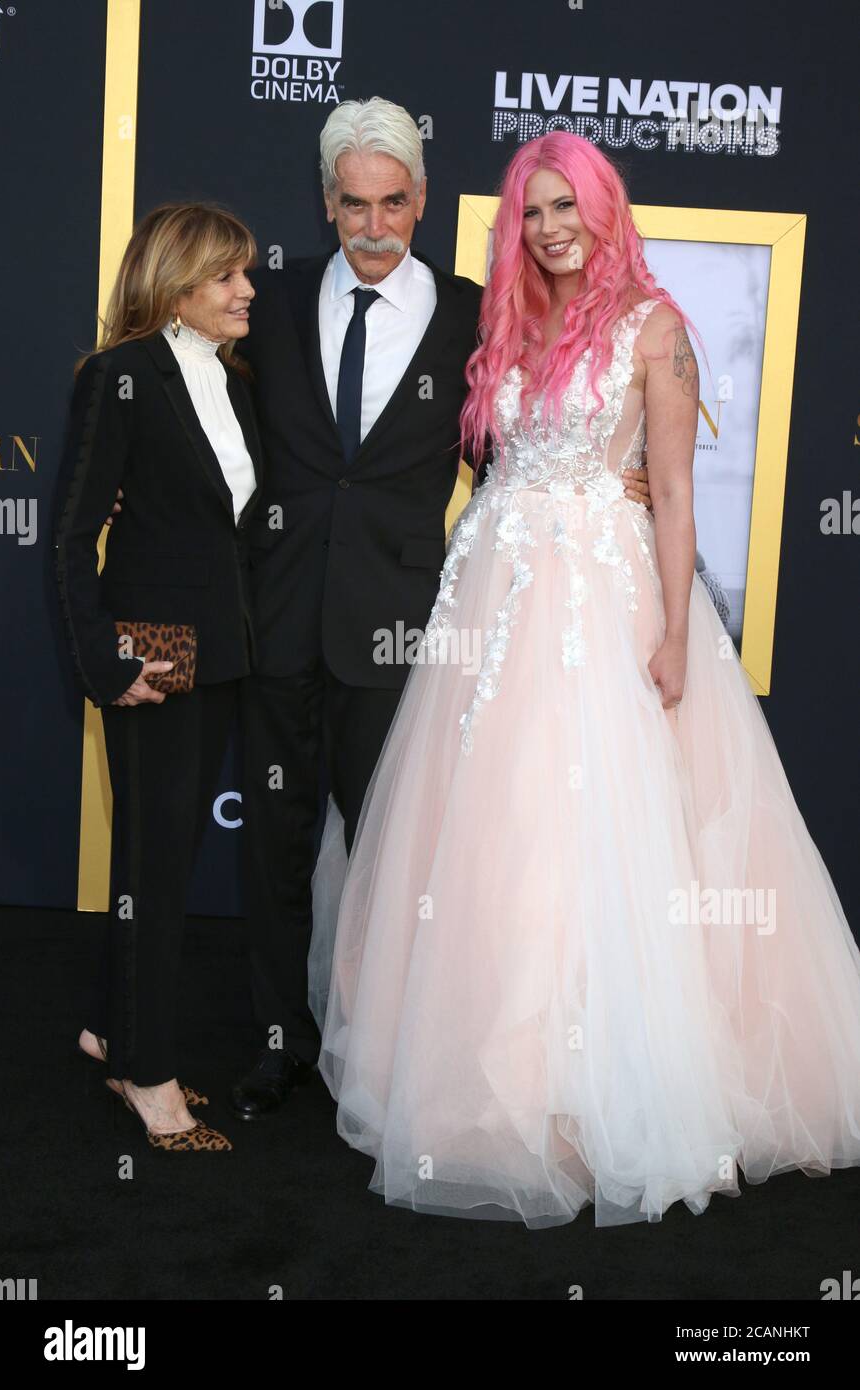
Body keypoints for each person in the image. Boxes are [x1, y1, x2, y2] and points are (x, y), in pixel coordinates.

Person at [316, 132, 860, 1228]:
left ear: (604, 209)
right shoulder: (507, 323)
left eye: (568, 206)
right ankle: (493, 1085)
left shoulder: (655, 332)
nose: (551, 227)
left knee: (594, 834)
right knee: (489, 834)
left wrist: (668, 633)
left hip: (600, 599)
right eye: (532, 211)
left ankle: (599, 1094)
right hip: (490, 597)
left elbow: (669, 489)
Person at [229, 97, 654, 1120]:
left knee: (396, 851)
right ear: (325, 204)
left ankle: (375, 1049)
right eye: (351, 206)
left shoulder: (476, 314)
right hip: (277, 615)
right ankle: (277, 1041)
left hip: (408, 631)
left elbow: (515, 444)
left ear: (420, 199)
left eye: (391, 203)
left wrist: (606, 479)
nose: (372, 225)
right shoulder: (271, 302)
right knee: (275, 840)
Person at [54, 202, 263, 1150]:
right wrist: (106, 662)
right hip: (151, 653)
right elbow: (67, 537)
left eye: (245, 274)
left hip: (217, 652)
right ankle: (149, 1077)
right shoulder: (118, 375)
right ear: (176, 285)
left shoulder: (232, 380)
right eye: (226, 276)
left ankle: (111, 1029)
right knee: (151, 864)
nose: (246, 290)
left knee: (164, 859)